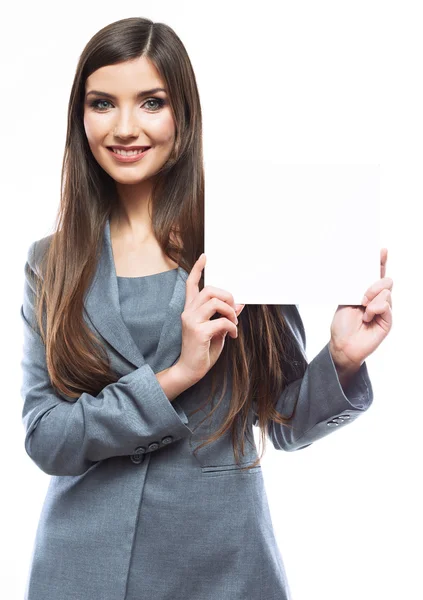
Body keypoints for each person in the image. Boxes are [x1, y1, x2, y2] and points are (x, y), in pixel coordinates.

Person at [19, 17, 393, 600]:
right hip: (82, 568)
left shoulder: (240, 234)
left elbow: (285, 420)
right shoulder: (51, 262)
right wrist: (176, 376)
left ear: (182, 114)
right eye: (101, 103)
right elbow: (46, 438)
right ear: (80, 117)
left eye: (150, 102)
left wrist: (341, 359)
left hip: (221, 566)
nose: (124, 127)